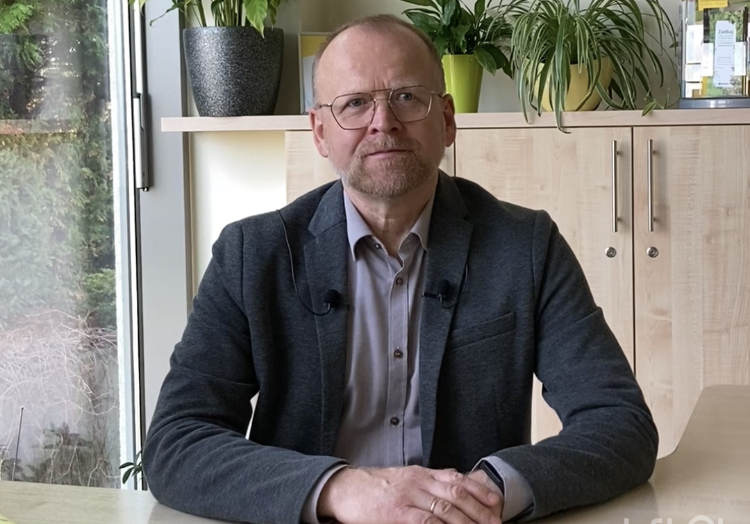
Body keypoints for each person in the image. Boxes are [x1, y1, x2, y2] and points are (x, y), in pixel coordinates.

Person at [142, 14, 658, 524]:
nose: (383, 122)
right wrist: (339, 489)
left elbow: (620, 423)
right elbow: (176, 443)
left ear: (447, 120)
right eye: (354, 103)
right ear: (320, 132)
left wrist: (488, 491)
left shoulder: (525, 247)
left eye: (407, 97)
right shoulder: (251, 255)